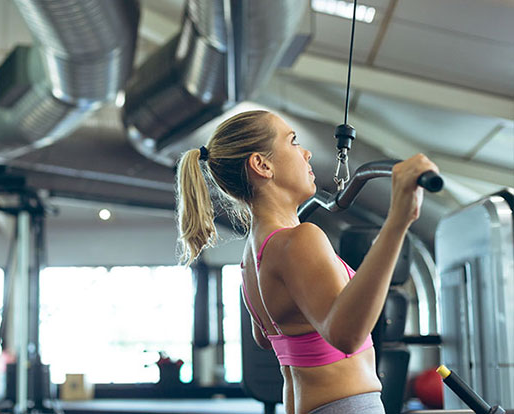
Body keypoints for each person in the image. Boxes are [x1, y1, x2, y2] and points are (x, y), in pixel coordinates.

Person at [175, 110, 438, 414]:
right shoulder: (299, 239)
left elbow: (266, 337)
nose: (307, 152)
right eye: (294, 142)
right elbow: (346, 337)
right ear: (262, 165)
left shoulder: (251, 258)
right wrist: (398, 221)